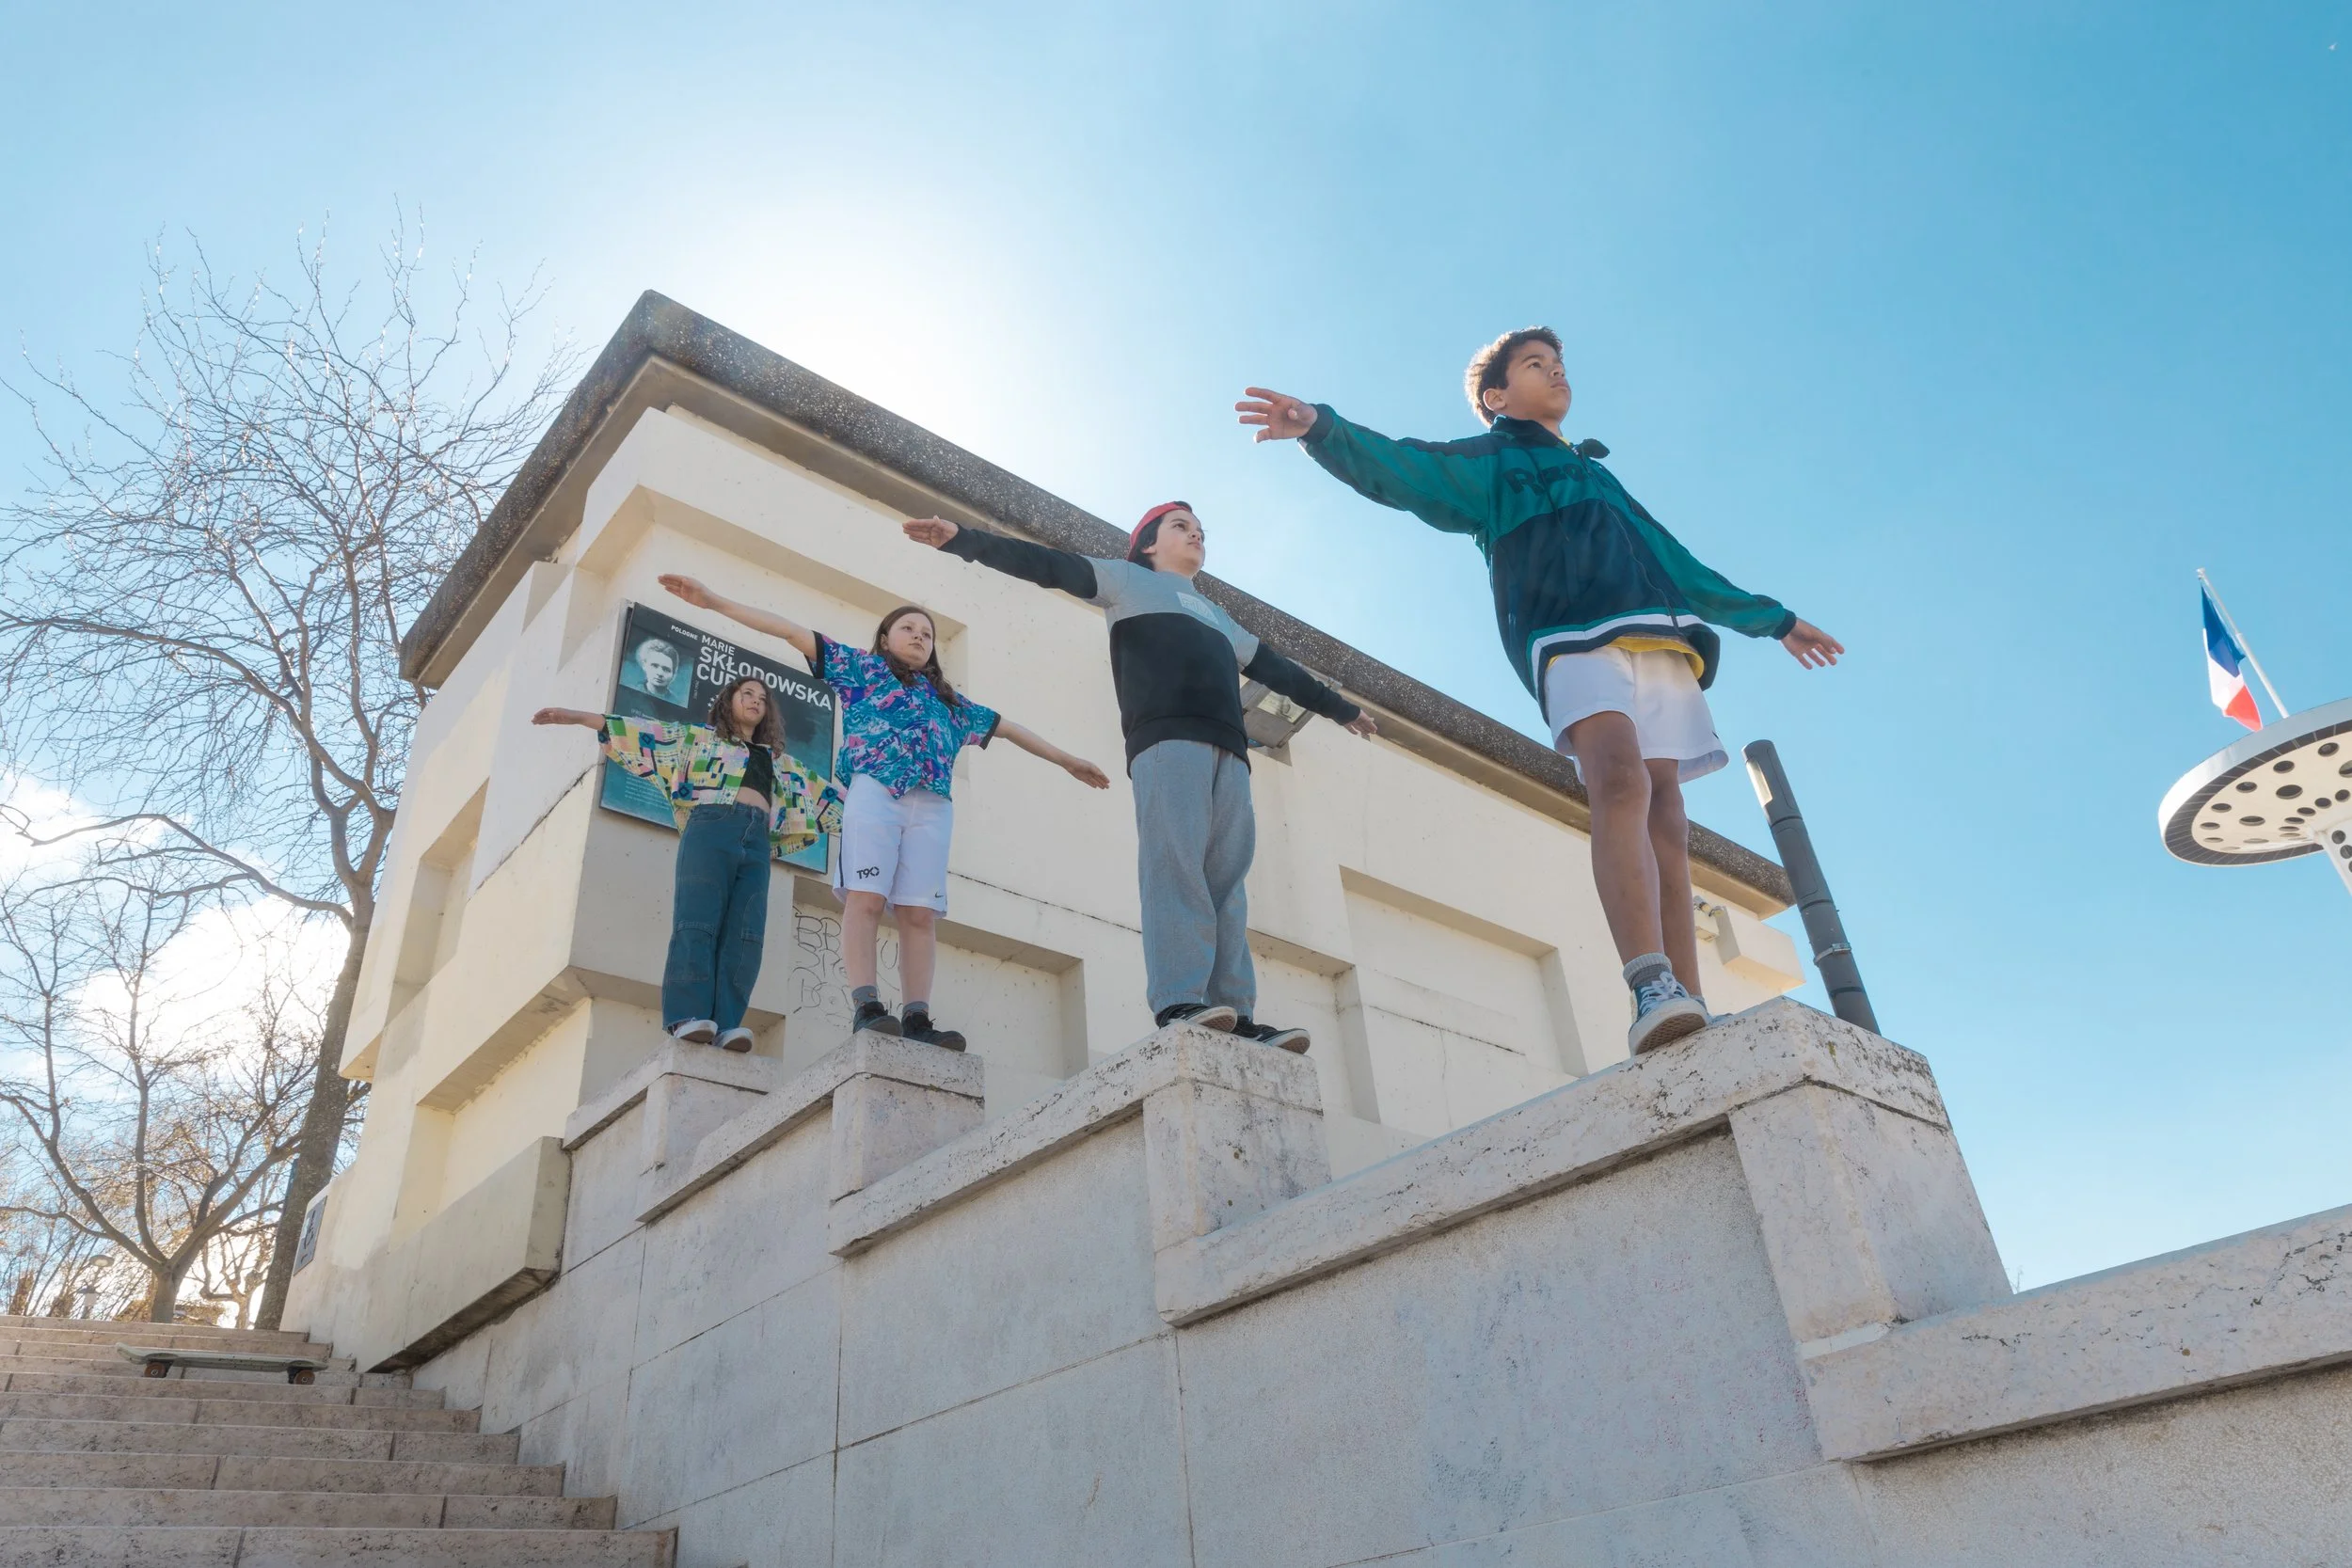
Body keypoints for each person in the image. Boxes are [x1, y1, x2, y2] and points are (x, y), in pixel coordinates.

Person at [1238, 329, 1843, 1056]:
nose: (1553, 368)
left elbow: (1678, 562)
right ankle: (1649, 982)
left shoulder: (1601, 478)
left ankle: (1690, 1001)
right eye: (1533, 364)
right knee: (1615, 776)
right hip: (1570, 636)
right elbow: (1406, 467)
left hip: (1658, 639)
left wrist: (1773, 620)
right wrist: (1323, 429)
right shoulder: (1491, 463)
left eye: (1557, 362)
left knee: (1668, 815)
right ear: (1496, 397)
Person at [901, 504, 1376, 1053]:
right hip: (1166, 742)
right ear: (1149, 543)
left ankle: (1238, 1015)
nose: (1196, 535)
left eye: (1201, 531)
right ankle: (1180, 1000)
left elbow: (1281, 672)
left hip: (1231, 750)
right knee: (1174, 865)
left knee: (1227, 883)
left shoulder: (1222, 619)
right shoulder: (1126, 580)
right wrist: (963, 538)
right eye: (1181, 526)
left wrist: (1340, 709)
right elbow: (1044, 564)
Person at [660, 574, 1109, 1051]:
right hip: (875, 792)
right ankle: (867, 1005)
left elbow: (1011, 728)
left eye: (927, 633)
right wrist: (713, 600)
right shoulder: (860, 670)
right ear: (884, 638)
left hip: (933, 805)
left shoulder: (952, 703)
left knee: (920, 913)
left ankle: (918, 1017)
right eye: (908, 628)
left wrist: (1068, 760)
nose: (919, 636)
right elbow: (790, 630)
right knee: (866, 898)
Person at [532, 675, 843, 1052]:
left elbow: (832, 797)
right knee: (697, 921)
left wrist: (892, 808)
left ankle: (727, 1024)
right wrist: (581, 718)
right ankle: (687, 1016)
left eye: (762, 698)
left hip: (757, 839)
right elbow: (644, 735)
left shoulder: (782, 763)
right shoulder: (698, 739)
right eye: (747, 694)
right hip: (710, 827)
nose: (756, 701)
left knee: (746, 933)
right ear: (728, 700)